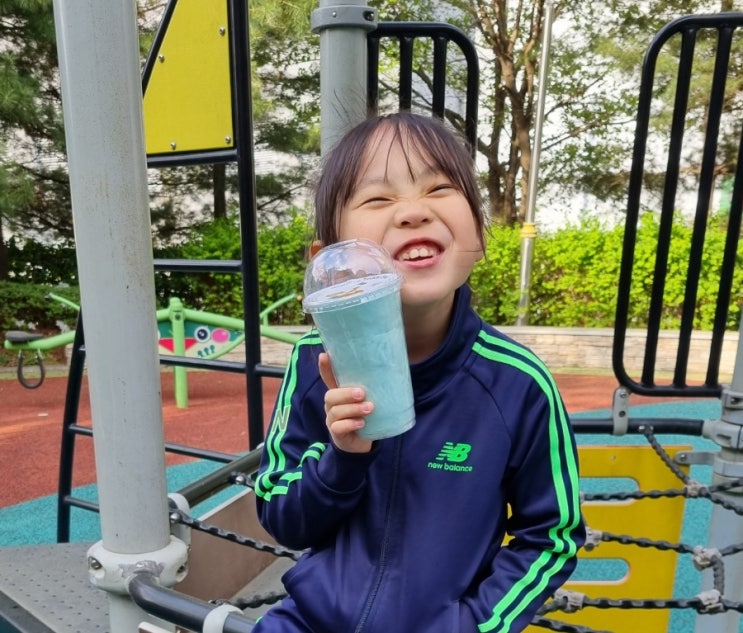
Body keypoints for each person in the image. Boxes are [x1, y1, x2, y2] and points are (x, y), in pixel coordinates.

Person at [253, 111, 585, 633]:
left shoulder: (517, 383)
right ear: (328, 260)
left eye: (439, 188)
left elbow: (551, 537)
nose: (413, 212)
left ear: (479, 233)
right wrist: (343, 458)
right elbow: (283, 518)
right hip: (309, 622)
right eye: (378, 198)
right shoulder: (316, 362)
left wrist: (473, 625)